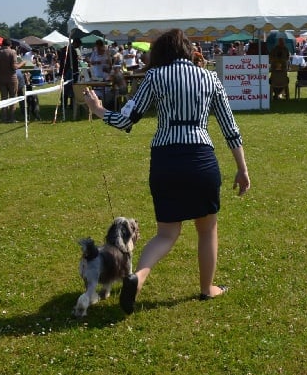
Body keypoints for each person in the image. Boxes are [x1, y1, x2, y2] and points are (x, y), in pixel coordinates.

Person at [82, 28, 250, 314]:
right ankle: (207, 288)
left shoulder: (154, 77)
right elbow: (229, 127)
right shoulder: (210, 78)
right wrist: (242, 168)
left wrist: (98, 109)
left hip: (165, 159)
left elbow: (125, 121)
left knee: (166, 234)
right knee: (207, 229)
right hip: (201, 159)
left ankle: (138, 278)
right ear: (187, 50)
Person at [0, 38, 22, 123]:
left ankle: (4, 118)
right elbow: (14, 67)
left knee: (4, 99)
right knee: (13, 98)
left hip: (1, 78)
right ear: (10, 45)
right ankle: (12, 118)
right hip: (12, 78)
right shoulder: (12, 52)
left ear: (2, 44)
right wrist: (22, 63)